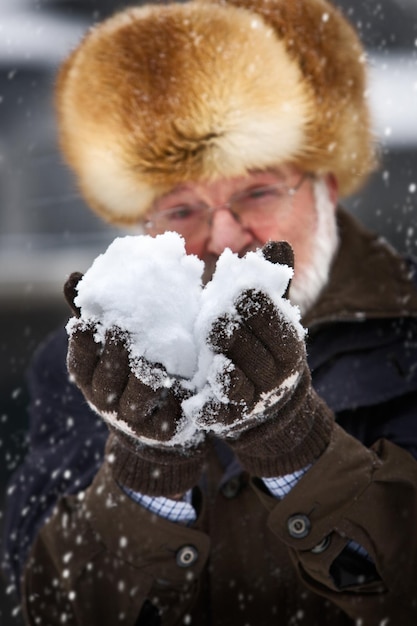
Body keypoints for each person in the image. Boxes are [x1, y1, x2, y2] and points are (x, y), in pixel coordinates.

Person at [3, 0, 417, 624]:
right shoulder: (82, 364)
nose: (223, 237)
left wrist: (295, 449)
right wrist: (144, 476)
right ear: (146, 227)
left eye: (256, 191)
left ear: (325, 189)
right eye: (181, 209)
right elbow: (46, 602)